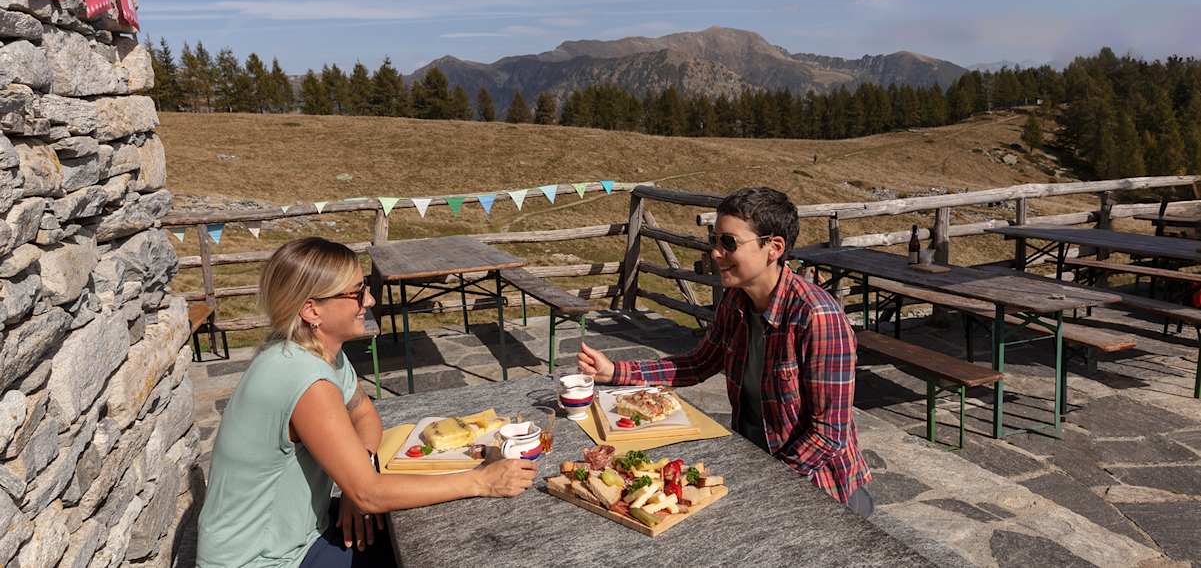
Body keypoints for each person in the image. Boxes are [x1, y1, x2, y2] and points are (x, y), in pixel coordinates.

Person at [197, 237, 536, 567]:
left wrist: (355, 473)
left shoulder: (321, 353)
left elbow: (364, 414)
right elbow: (370, 494)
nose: (370, 300)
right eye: (357, 292)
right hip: (266, 559)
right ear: (312, 309)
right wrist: (480, 481)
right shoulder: (305, 379)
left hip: (300, 536)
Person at [578, 187, 873, 515]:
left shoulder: (816, 317)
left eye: (729, 242)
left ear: (773, 247)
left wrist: (764, 482)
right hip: (754, 464)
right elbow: (698, 364)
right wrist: (615, 372)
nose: (716, 253)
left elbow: (827, 434)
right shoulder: (736, 301)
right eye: (714, 240)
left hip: (816, 486)